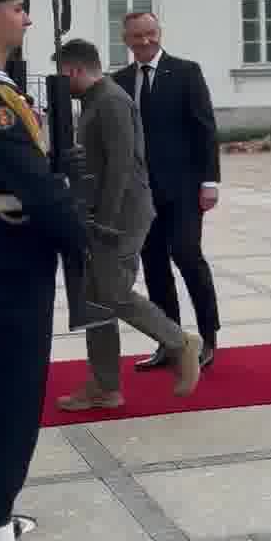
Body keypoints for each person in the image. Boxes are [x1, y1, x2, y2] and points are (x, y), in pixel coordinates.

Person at [0, 0, 85, 541]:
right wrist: (86, 243)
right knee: (4, 414)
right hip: (4, 275)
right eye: (16, 7)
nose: (27, 16)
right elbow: (39, 193)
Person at [55, 40, 202, 411]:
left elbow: (122, 165)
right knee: (94, 297)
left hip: (121, 216)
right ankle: (105, 386)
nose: (61, 84)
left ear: (74, 70)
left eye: (61, 75)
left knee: (113, 292)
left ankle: (179, 342)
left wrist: (105, 219)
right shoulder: (93, 101)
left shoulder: (112, 101)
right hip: (102, 214)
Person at [114, 12, 221, 371]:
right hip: (141, 196)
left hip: (185, 190)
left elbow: (205, 128)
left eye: (150, 33)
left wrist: (210, 182)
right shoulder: (120, 81)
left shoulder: (186, 72)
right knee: (155, 266)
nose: (145, 41)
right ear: (125, 40)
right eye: (137, 36)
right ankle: (170, 342)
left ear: (159, 33)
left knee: (188, 256)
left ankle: (208, 338)